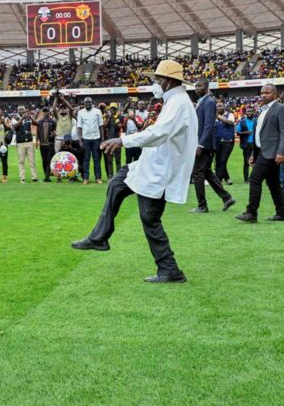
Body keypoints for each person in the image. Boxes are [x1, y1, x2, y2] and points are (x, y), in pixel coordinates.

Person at [71, 60, 198, 283]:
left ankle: (170, 269)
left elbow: (159, 133)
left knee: (150, 219)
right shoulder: (174, 101)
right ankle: (99, 237)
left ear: (167, 81)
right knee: (117, 184)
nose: (155, 84)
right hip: (149, 166)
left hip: (159, 171)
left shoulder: (178, 103)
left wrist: (123, 141)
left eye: (158, 79)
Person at [236, 84, 284, 223]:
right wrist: (254, 153)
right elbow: (259, 134)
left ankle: (251, 212)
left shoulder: (281, 108)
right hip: (262, 151)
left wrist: (281, 152)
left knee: (254, 179)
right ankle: (282, 213)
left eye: (267, 92)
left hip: (273, 152)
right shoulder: (262, 110)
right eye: (262, 92)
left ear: (275, 94)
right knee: (273, 183)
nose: (264, 95)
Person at [190, 79, 235, 213]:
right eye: (196, 86)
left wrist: (201, 144)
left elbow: (208, 125)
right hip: (204, 142)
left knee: (197, 173)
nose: (197, 88)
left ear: (207, 87)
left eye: (200, 86)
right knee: (207, 172)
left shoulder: (209, 102)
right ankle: (227, 198)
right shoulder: (203, 101)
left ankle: (202, 205)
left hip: (204, 144)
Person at [77, 97, 104, 184]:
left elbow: (101, 126)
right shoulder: (80, 113)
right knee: (86, 159)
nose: (88, 104)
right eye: (86, 103)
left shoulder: (97, 111)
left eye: (89, 103)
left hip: (96, 138)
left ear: (92, 103)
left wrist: (102, 139)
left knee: (96, 159)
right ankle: (86, 178)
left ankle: (98, 178)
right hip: (86, 139)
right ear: (84, 104)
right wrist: (80, 140)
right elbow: (79, 127)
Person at [213, 100, 236, 185]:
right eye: (217, 106)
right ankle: (227, 178)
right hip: (217, 142)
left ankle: (217, 179)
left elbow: (230, 122)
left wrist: (219, 117)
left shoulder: (230, 115)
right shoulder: (214, 116)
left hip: (228, 141)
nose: (218, 108)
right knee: (219, 161)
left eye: (220, 106)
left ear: (224, 107)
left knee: (223, 160)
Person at [14, 105, 38, 183]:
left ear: (25, 110)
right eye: (20, 109)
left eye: (22, 109)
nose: (21, 111)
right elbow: (15, 127)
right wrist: (22, 118)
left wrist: (31, 117)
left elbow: (36, 124)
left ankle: (34, 177)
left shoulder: (28, 118)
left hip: (29, 142)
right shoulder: (14, 118)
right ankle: (22, 178)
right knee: (21, 161)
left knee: (32, 161)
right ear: (17, 111)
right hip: (20, 143)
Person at [103, 103, 123, 180]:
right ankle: (110, 176)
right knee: (109, 160)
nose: (112, 110)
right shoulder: (108, 117)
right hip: (109, 141)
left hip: (117, 141)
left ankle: (118, 175)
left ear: (116, 109)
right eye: (111, 109)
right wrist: (109, 117)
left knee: (118, 159)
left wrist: (116, 120)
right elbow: (105, 126)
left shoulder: (120, 117)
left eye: (114, 109)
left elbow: (120, 127)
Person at [236, 107, 256, 183]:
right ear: (245, 112)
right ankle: (246, 179)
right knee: (246, 162)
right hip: (246, 144)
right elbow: (238, 132)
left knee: (256, 162)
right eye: (248, 111)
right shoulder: (242, 122)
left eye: (251, 111)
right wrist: (246, 132)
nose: (249, 112)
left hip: (255, 144)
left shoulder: (257, 121)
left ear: (254, 112)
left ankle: (253, 178)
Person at [36, 108, 56, 182]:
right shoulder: (40, 122)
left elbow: (56, 130)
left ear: (49, 112)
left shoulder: (53, 121)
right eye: (44, 111)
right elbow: (38, 132)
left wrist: (54, 134)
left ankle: (47, 177)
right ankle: (46, 176)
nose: (45, 113)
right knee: (44, 161)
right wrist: (37, 141)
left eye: (46, 111)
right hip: (42, 144)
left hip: (50, 144)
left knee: (49, 160)